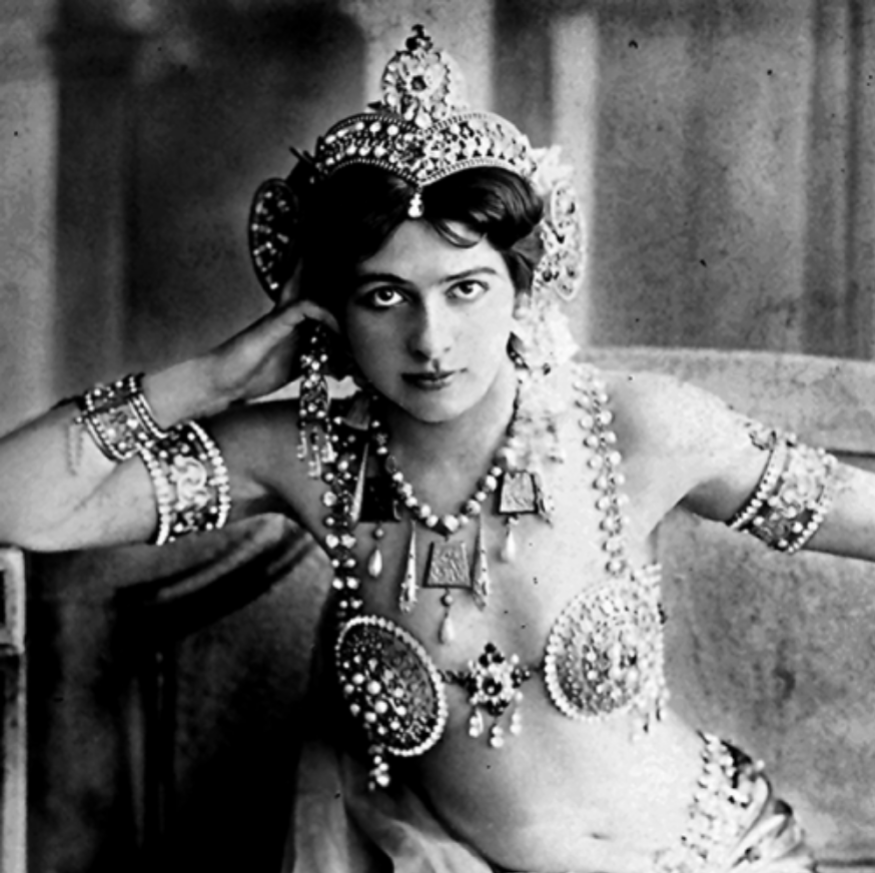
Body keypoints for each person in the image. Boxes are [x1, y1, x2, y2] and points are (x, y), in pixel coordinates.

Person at [1, 25, 873, 873]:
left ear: (520, 289)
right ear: (329, 311)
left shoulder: (635, 428)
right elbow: (19, 504)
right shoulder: (314, 456)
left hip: (710, 855)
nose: (430, 339)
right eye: (385, 296)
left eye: (465, 289)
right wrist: (211, 380)